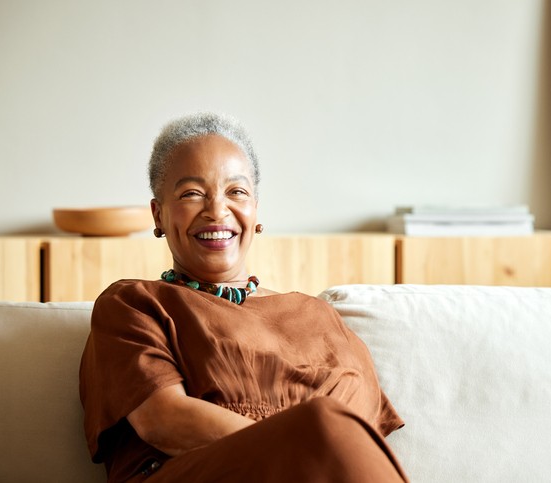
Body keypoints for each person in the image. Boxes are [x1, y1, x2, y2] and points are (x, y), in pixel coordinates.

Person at [79, 113, 407, 482]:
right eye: (191, 193)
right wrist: (301, 443)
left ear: (255, 211)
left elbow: (363, 440)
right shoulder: (133, 304)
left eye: (236, 192)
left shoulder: (320, 317)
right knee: (324, 424)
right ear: (158, 214)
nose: (217, 210)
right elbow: (163, 419)